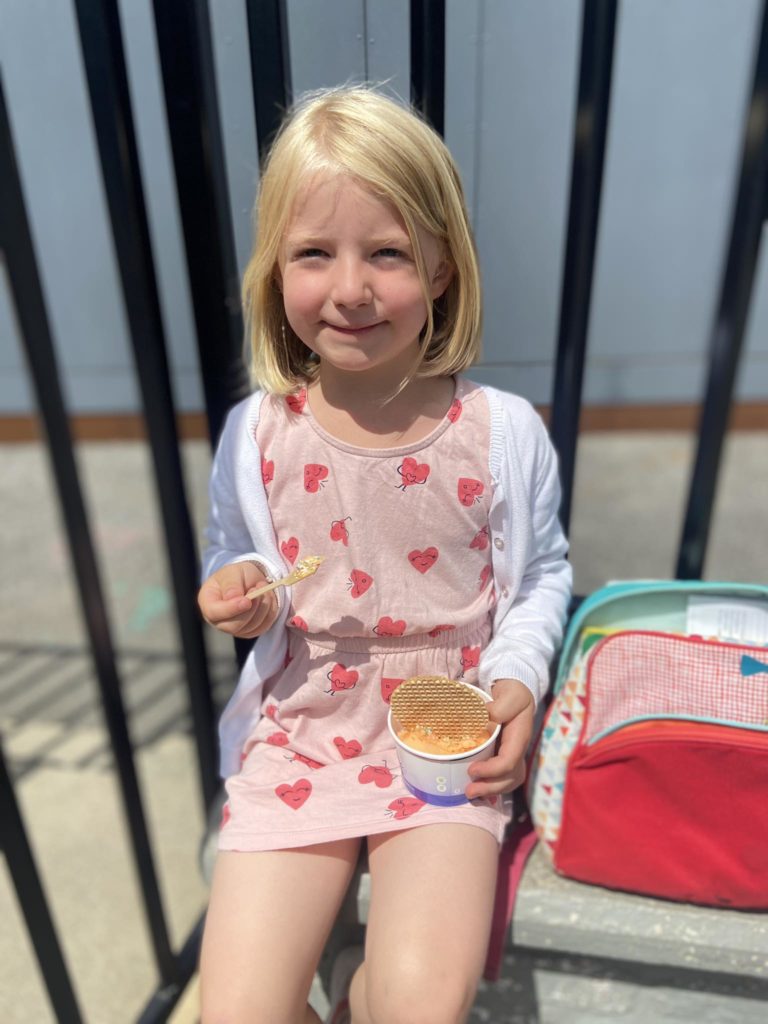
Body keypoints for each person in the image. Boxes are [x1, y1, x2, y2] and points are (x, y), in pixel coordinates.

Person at [197, 86, 571, 1024]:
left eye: (389, 253)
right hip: (303, 722)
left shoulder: (503, 433)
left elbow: (541, 577)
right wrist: (242, 589)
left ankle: (357, 992)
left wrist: (519, 677)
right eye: (314, 253)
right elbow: (241, 552)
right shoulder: (256, 436)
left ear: (443, 267)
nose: (350, 288)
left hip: (448, 728)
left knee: (418, 1005)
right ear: (274, 269)